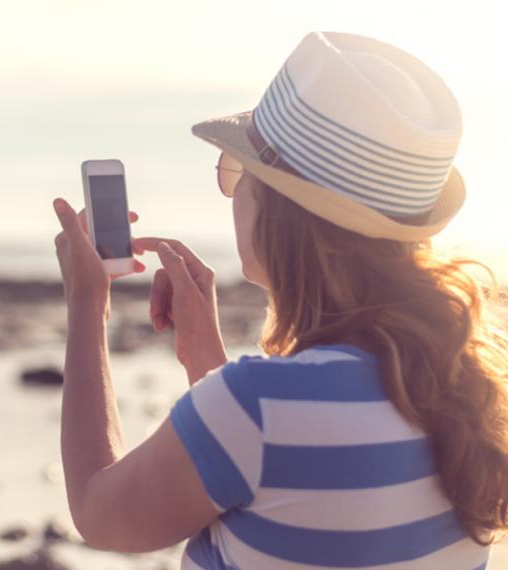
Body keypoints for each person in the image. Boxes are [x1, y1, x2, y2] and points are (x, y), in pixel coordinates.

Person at [51, 31, 508, 569]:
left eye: (239, 171)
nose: (233, 192)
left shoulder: (257, 408)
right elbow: (290, 494)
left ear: (279, 210)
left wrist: (87, 305)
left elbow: (97, 511)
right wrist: (207, 365)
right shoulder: (466, 393)